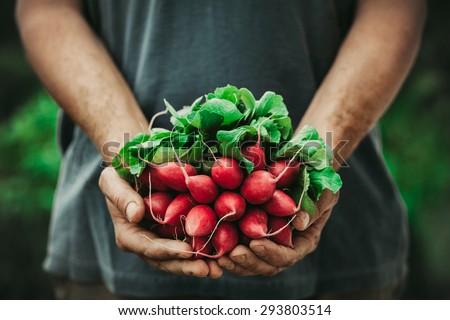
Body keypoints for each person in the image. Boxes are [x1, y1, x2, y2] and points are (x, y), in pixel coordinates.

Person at [16, 0, 426, 299]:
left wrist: (312, 157)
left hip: (344, 253)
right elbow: (46, 8)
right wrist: (132, 155)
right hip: (104, 251)